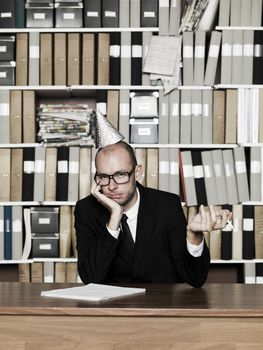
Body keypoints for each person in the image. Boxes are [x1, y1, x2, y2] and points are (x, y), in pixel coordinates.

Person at [75, 141, 232, 287]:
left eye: (120, 175)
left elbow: (195, 279)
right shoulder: (86, 209)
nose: (112, 186)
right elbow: (90, 278)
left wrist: (193, 236)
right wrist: (114, 218)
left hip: (162, 306)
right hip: (113, 310)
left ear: (137, 173)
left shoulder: (167, 205)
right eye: (103, 177)